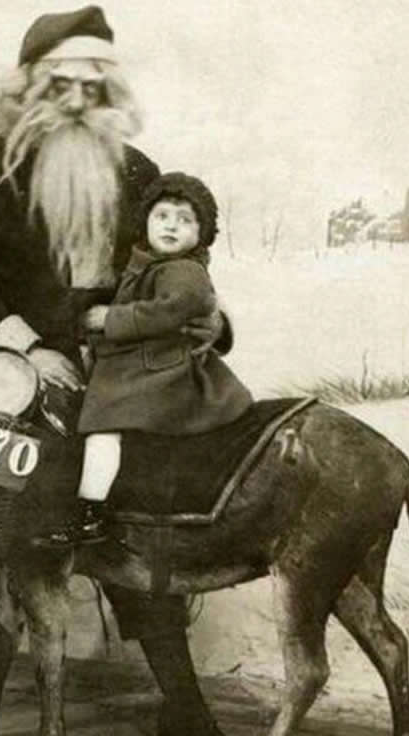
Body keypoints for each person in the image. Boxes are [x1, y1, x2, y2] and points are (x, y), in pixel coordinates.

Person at [0, 5, 249, 736]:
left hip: (118, 378)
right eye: (61, 82)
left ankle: (183, 713)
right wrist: (30, 346)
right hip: (12, 367)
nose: (77, 98)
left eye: (94, 85)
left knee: (135, 528)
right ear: (28, 86)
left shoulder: (139, 175)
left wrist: (200, 324)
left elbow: (174, 273)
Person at [38, 172, 253, 546]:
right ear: (146, 222)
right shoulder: (150, 264)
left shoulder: (184, 271)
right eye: (163, 216)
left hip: (164, 371)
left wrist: (110, 319)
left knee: (104, 428)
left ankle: (93, 512)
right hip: (150, 364)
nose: (172, 226)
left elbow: (173, 310)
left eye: (186, 220)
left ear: (201, 234)